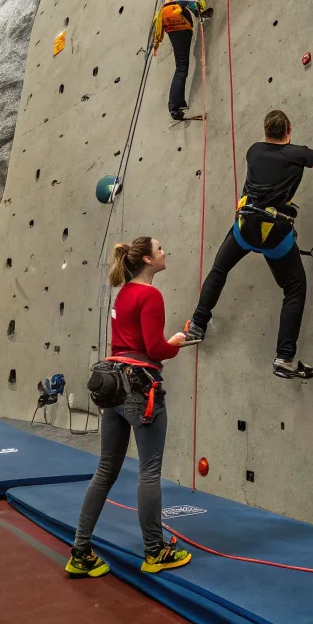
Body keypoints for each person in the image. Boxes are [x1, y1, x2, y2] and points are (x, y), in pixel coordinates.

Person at [184, 111, 313, 378]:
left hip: (245, 227)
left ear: (266, 131)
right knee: (294, 289)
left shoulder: (254, 150)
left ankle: (197, 325)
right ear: (289, 129)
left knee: (219, 270)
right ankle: (284, 357)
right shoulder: (298, 154)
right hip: (275, 235)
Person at [66, 237, 192, 579]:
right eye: (161, 248)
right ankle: (154, 551)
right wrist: (177, 343)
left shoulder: (123, 294)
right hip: (140, 386)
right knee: (149, 470)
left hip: (113, 386)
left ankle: (80, 550)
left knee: (105, 470)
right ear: (148, 260)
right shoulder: (151, 295)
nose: (166, 251)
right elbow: (155, 348)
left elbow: (124, 343)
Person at [159, 0, 268, 120]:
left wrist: (199, 11)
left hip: (168, 13)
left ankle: (174, 106)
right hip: (179, 13)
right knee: (183, 65)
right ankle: (174, 107)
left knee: (181, 64)